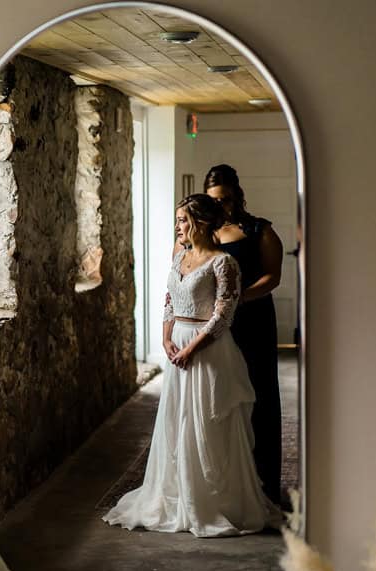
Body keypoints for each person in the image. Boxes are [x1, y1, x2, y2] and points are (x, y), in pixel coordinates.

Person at [103, 194, 279, 537]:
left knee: (207, 422)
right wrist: (166, 338)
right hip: (178, 345)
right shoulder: (181, 256)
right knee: (177, 421)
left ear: (199, 222)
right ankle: (177, 494)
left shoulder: (224, 263)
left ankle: (213, 501)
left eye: (182, 220)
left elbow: (222, 316)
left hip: (209, 350)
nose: (177, 226)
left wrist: (192, 349)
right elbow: (170, 300)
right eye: (178, 220)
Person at [204, 164, 284, 507]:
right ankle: (222, 481)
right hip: (214, 321)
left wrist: (237, 300)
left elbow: (272, 276)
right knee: (218, 394)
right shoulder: (204, 232)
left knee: (258, 392)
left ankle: (263, 480)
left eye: (225, 198)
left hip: (252, 319)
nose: (221, 206)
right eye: (214, 200)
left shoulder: (259, 230)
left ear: (236, 194)